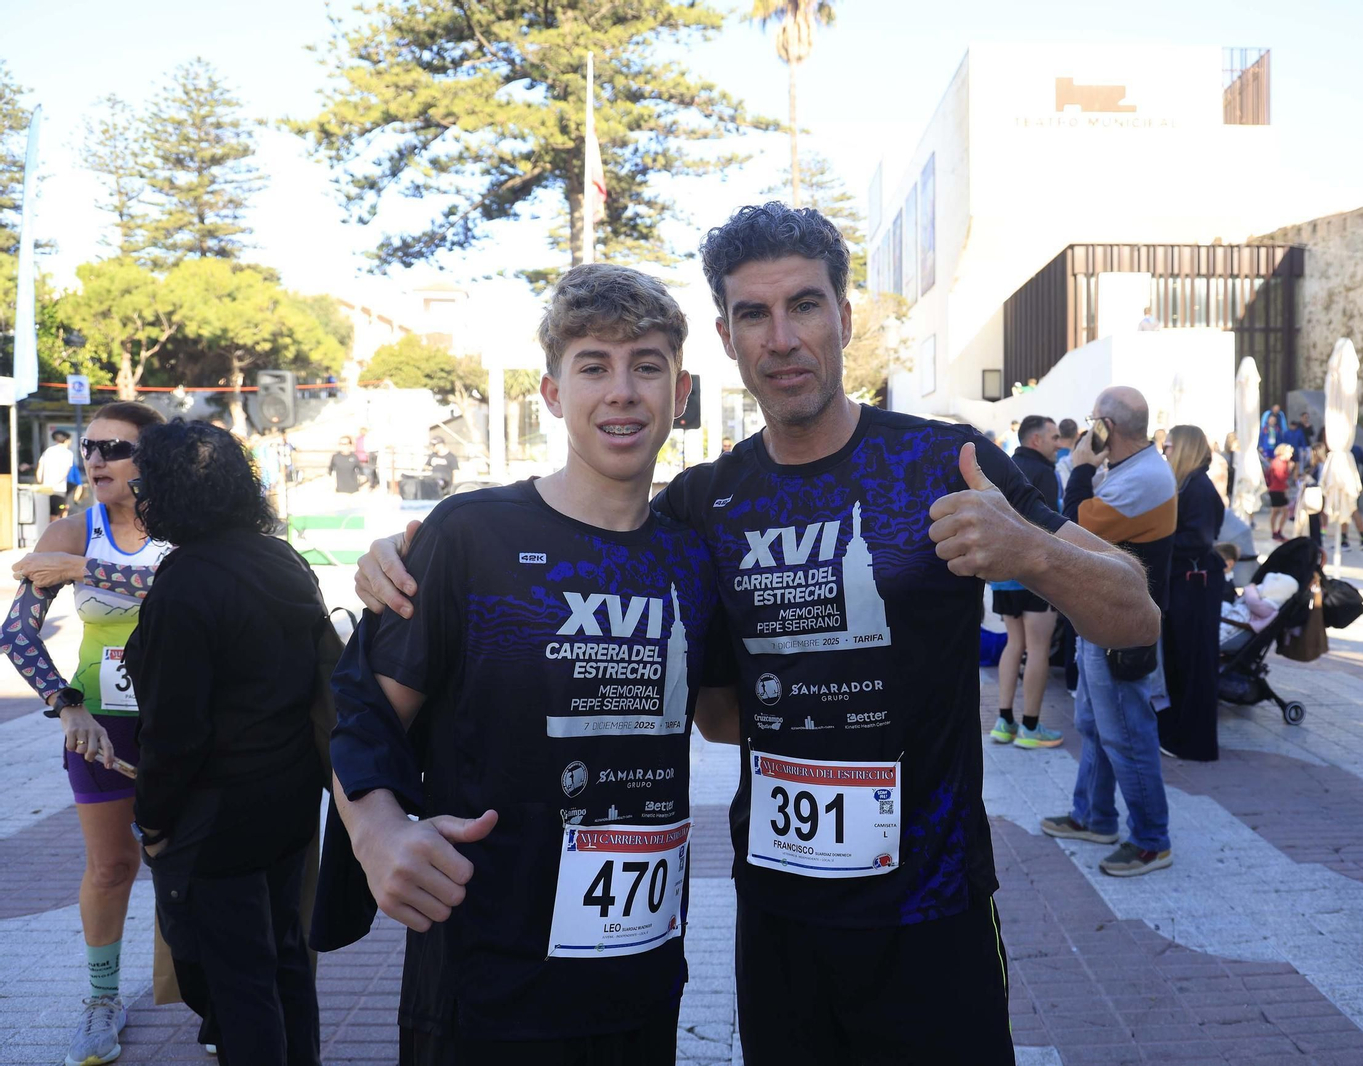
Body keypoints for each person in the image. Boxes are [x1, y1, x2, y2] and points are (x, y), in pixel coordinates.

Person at [353, 203, 1159, 1065]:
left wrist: (1031, 550)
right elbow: (681, 666)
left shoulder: (944, 463)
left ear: (845, 318)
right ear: (727, 339)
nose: (782, 338)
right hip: (778, 920)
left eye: (805, 305)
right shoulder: (703, 505)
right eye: (753, 314)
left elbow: (1133, 611)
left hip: (931, 909)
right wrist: (409, 558)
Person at [329, 265, 724, 1065]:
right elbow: (362, 709)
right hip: (483, 982)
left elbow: (727, 711)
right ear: (551, 393)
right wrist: (376, 834)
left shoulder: (693, 555)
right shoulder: (471, 534)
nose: (622, 391)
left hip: (638, 977)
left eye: (646, 366)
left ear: (679, 393)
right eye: (594, 366)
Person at [126, 420, 327, 1066]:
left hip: (218, 814)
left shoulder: (185, 583)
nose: (138, 494)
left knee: (238, 982)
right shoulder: (281, 559)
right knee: (286, 961)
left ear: (171, 492)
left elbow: (174, 730)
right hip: (291, 797)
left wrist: (152, 821)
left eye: (144, 482)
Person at [0, 402, 170, 1066]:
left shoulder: (187, 531)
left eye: (114, 448)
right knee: (111, 867)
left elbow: (195, 590)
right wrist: (67, 705)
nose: (95, 459)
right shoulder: (73, 530)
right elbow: (17, 631)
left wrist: (88, 575)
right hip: (100, 725)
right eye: (90, 447)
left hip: (182, 724)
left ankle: (209, 995)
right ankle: (101, 1001)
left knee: (187, 864)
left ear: (151, 461)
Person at [1042, 386, 1175, 878]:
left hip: (1120, 624)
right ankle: (1094, 817)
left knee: (1128, 735)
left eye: (1092, 419)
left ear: (1107, 428)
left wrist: (1078, 466)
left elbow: (1076, 525)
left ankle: (1151, 840)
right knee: (1097, 728)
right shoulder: (1127, 469)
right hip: (1100, 614)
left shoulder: (1143, 476)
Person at [989, 415, 1064, 749]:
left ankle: (1004, 721)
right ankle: (1031, 727)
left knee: (1013, 643)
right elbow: (1048, 526)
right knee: (1037, 648)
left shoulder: (1003, 465)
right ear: (1036, 439)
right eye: (1054, 437)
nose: (1058, 443)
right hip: (1033, 574)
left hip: (1003, 575)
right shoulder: (1044, 473)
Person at [1158, 426, 1225, 762]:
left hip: (1195, 585)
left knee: (1195, 663)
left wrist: (1158, 542)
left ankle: (1195, 742)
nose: (1164, 452)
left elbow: (1200, 539)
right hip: (1186, 583)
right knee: (1181, 661)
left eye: (1168, 447)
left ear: (1183, 448)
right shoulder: (1187, 484)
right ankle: (1180, 733)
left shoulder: (1197, 487)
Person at [38, 428, 77, 521]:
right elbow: (65, 471)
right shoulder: (68, 453)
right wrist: (55, 483)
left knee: (45, 515)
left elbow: (39, 469)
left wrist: (42, 483)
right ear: (67, 440)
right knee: (56, 515)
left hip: (45, 489)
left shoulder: (48, 451)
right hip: (59, 489)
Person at [1266, 443, 1295, 541]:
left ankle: (1276, 531)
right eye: (1289, 453)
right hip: (1277, 489)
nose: (1291, 455)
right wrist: (1289, 470)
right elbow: (1281, 477)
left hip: (1278, 489)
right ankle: (1276, 531)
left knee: (1277, 512)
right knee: (1280, 512)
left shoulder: (1279, 462)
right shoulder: (1278, 463)